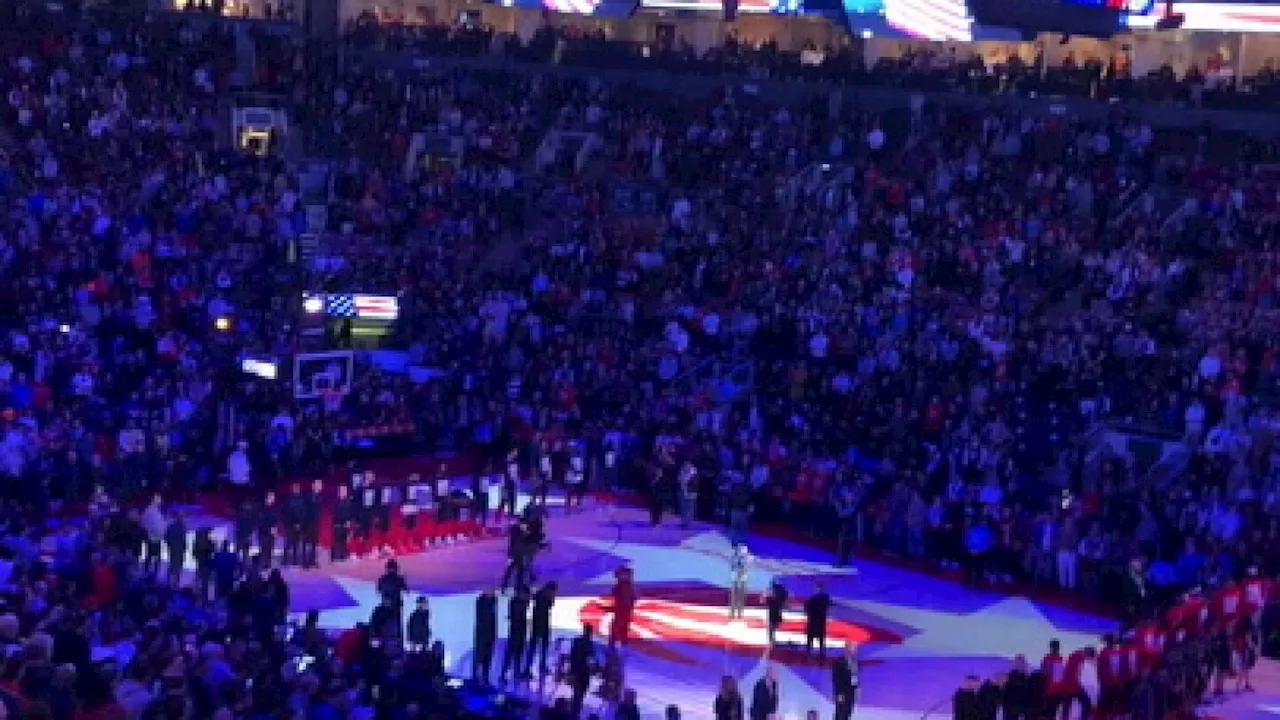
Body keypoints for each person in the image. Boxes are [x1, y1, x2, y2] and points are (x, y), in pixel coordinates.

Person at [526, 581, 556, 677]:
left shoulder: (539, 595)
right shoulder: (546, 597)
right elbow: (550, 606)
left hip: (537, 625)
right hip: (541, 625)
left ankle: (530, 667)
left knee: (534, 648)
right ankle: (538, 667)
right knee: (539, 648)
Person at [502, 585, 531, 682]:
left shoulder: (518, 602)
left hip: (518, 632)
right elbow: (516, 618)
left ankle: (514, 673)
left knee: (516, 654)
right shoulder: (517, 603)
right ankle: (504, 674)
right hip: (516, 632)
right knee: (511, 654)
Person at [568, 623, 597, 716]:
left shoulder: (585, 643)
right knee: (578, 694)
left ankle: (574, 712)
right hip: (580, 672)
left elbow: (573, 657)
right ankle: (574, 713)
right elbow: (573, 657)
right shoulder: (587, 644)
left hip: (582, 672)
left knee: (579, 694)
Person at [473, 589, 498, 685]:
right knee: (479, 657)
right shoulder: (480, 601)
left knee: (488, 658)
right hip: (482, 635)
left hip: (490, 634)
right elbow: (482, 618)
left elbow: (494, 618)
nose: (494, 591)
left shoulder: (494, 600)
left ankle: (485, 678)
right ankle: (475, 678)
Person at [609, 566, 636, 648]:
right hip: (624, 610)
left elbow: (631, 598)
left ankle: (616, 643)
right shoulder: (623, 587)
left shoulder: (623, 587)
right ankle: (620, 643)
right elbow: (632, 598)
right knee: (622, 627)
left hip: (622, 611)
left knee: (620, 627)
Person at [377, 559, 408, 629]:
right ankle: (397, 638)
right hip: (396, 605)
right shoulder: (399, 579)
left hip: (385, 604)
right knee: (397, 624)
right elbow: (406, 590)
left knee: (386, 623)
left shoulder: (382, 579)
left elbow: (379, 590)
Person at [832, 642, 858, 720]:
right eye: (853, 647)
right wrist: (839, 693)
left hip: (851, 693)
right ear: (847, 648)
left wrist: (856, 689)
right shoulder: (839, 662)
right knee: (840, 713)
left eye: (855, 647)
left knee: (848, 712)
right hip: (842, 693)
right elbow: (836, 678)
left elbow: (854, 676)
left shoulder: (854, 662)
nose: (854, 649)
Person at [805, 583, 831, 659]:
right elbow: (807, 607)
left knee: (821, 634)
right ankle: (809, 649)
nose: (819, 590)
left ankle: (821, 650)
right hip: (813, 618)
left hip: (820, 618)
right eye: (817, 588)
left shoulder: (825, 598)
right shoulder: (812, 598)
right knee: (811, 633)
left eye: (820, 588)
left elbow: (827, 605)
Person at [282, 481, 305, 567]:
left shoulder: (302, 499)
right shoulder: (288, 499)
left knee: (296, 543)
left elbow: (303, 512)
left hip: (299, 525)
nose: (296, 489)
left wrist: (300, 523)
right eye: (294, 488)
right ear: (292, 489)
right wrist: (290, 523)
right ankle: (285, 560)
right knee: (288, 543)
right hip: (289, 525)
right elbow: (285, 512)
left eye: (297, 488)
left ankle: (295, 560)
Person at [302, 478, 323, 568]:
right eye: (318, 484)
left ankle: (313, 560)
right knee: (307, 542)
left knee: (314, 542)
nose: (320, 486)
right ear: (313, 485)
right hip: (307, 523)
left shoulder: (320, 497)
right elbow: (304, 510)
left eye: (321, 484)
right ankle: (305, 562)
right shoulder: (307, 496)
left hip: (316, 523)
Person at [163, 511, 188, 588]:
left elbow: (166, 537)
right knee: (177, 567)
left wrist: (169, 545)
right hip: (178, 550)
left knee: (172, 565)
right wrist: (184, 548)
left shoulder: (171, 526)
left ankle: (169, 582)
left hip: (173, 549)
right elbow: (184, 540)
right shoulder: (182, 527)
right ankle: (175, 584)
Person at [331, 484, 354, 563]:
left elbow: (351, 512)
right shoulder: (335, 502)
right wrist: (340, 522)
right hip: (338, 523)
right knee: (337, 539)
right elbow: (335, 513)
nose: (343, 492)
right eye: (341, 490)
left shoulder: (349, 501)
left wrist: (349, 521)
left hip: (346, 523)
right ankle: (335, 555)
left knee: (345, 539)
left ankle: (344, 554)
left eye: (344, 490)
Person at [257, 490, 279, 569]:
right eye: (272, 496)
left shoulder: (274, 508)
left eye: (274, 496)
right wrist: (269, 528)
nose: (273, 498)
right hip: (263, 532)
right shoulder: (262, 508)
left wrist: (275, 528)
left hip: (271, 533)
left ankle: (268, 564)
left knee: (270, 549)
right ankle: (262, 565)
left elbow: (276, 519)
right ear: (267, 497)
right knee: (264, 549)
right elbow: (261, 521)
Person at [234, 499, 256, 567]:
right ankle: (238, 562)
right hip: (241, 534)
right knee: (239, 550)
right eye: (247, 505)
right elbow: (238, 523)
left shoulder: (250, 515)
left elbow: (252, 525)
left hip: (246, 535)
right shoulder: (241, 514)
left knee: (245, 551)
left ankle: (244, 564)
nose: (248, 507)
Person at [729, 545, 750, 619]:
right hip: (735, 578)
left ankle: (740, 613)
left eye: (744, 551)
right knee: (734, 596)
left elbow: (746, 567)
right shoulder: (734, 558)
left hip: (742, 579)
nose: (742, 552)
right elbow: (733, 566)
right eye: (741, 551)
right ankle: (732, 613)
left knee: (741, 596)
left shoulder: (747, 559)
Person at [766, 580, 789, 646]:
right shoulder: (780, 589)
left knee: (773, 623)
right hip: (777, 608)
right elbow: (786, 595)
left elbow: (766, 600)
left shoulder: (773, 590)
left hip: (774, 608)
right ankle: (771, 638)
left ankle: (771, 638)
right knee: (774, 623)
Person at [678, 461, 698, 529]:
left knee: (690, 508)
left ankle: (689, 523)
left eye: (688, 465)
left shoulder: (694, 473)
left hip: (691, 493)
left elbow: (694, 483)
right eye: (685, 465)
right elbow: (679, 481)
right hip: (683, 492)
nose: (686, 467)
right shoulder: (682, 472)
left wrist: (688, 478)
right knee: (683, 508)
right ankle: (683, 522)